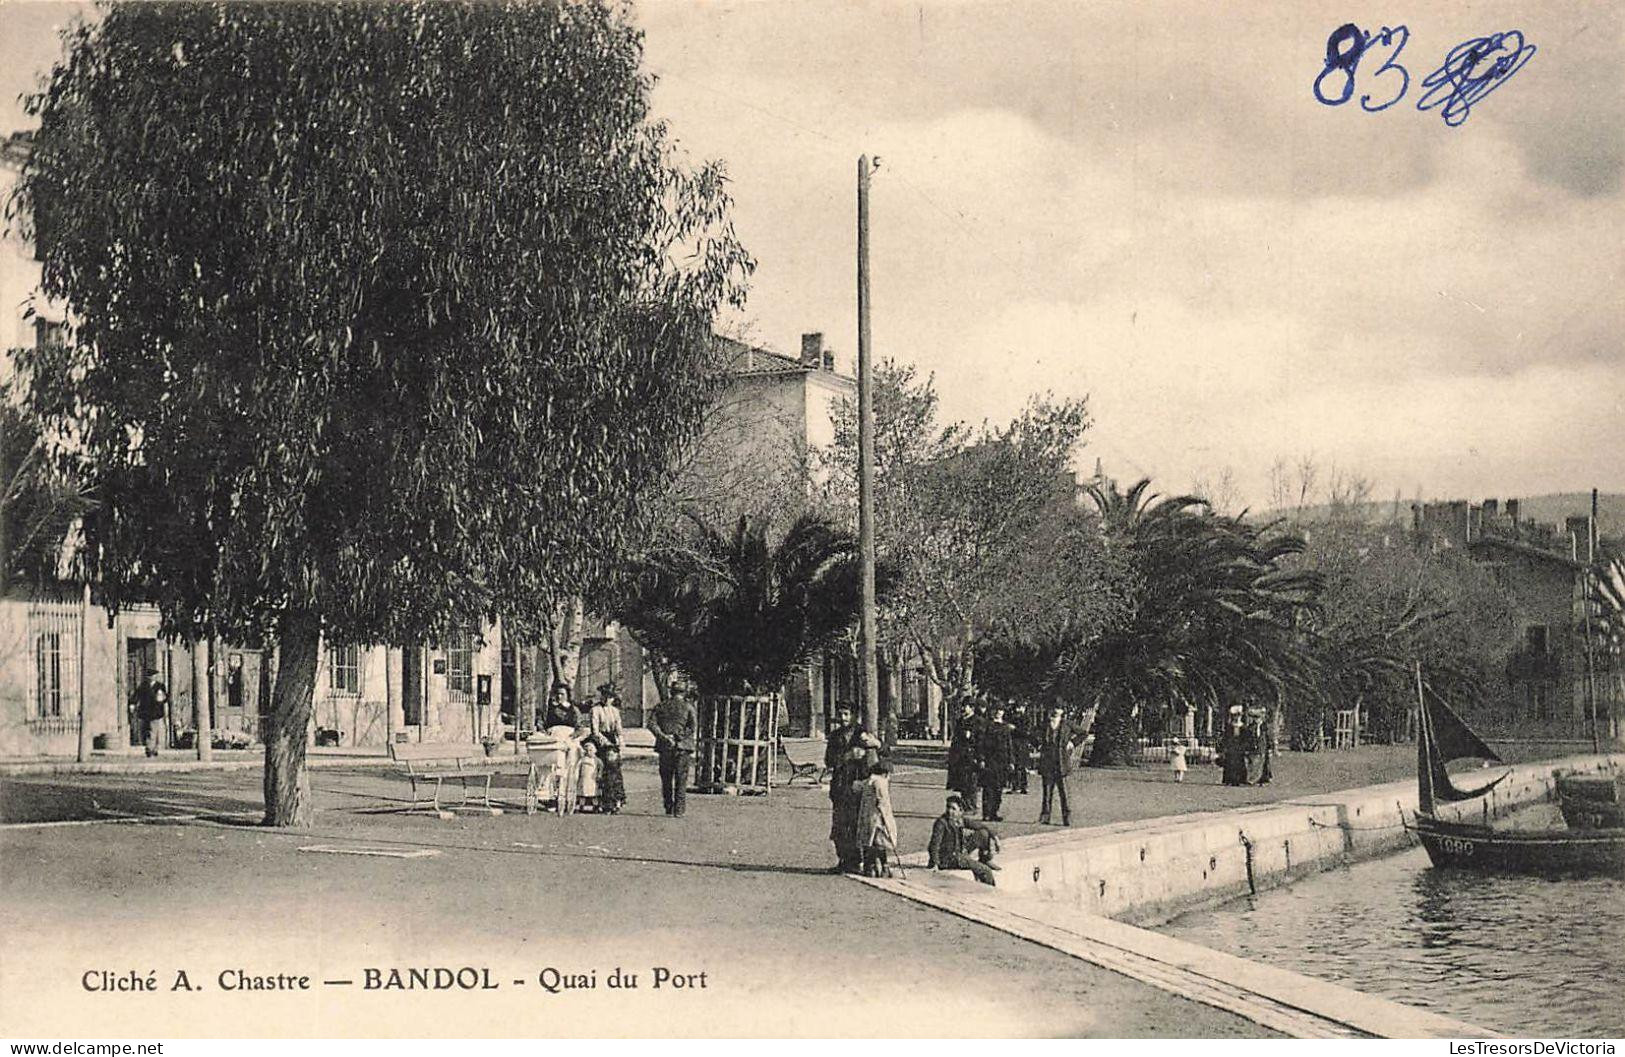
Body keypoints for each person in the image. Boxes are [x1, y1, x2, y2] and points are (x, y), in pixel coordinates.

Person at [824, 703, 878, 873]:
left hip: (859, 786)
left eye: (846, 714)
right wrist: (848, 756)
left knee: (858, 824)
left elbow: (879, 754)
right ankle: (844, 860)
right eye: (840, 714)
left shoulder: (862, 733)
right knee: (840, 825)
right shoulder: (835, 736)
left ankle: (859, 861)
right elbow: (829, 760)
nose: (843, 718)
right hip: (840, 787)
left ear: (854, 715)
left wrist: (876, 744)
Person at [647, 682, 698, 817]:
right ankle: (679, 809)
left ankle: (668, 805)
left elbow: (651, 724)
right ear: (684, 692)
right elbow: (692, 727)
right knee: (681, 779)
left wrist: (664, 736)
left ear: (671, 692)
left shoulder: (661, 706)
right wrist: (678, 736)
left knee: (666, 778)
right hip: (682, 747)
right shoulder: (688, 707)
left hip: (665, 747)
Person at [927, 793, 1001, 886]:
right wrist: (935, 864)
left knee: (983, 833)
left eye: (953, 809)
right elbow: (934, 844)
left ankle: (985, 859)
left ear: (960, 811)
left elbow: (982, 826)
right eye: (948, 807)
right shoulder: (942, 823)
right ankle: (990, 891)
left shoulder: (959, 819)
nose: (949, 811)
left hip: (960, 851)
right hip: (949, 858)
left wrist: (995, 838)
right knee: (986, 871)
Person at [1036, 702, 1078, 825]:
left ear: (1062, 711)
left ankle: (1067, 817)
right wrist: (1038, 744)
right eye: (1055, 708)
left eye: (1059, 709)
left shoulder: (1067, 724)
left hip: (1061, 762)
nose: (1056, 711)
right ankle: (1045, 816)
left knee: (1064, 792)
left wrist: (1073, 743)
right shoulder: (1045, 724)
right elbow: (1032, 734)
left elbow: (1083, 733)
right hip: (1047, 761)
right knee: (1047, 792)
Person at [857, 759, 899, 878]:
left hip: (867, 816)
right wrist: (888, 820)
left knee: (870, 842)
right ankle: (884, 867)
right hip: (878, 818)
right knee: (881, 842)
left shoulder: (868, 782)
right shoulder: (880, 783)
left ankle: (870, 867)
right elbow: (883, 802)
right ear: (885, 773)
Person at [589, 685, 627, 813]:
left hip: (612, 740)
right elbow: (595, 730)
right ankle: (605, 802)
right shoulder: (595, 710)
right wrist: (605, 742)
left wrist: (620, 740)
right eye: (605, 696)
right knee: (606, 769)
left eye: (610, 697)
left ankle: (616, 799)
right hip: (600, 740)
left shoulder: (615, 711)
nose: (607, 700)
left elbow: (618, 728)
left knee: (615, 768)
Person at [977, 704, 1014, 822]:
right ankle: (986, 813)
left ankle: (994, 812)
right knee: (988, 788)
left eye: (1001, 710)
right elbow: (981, 743)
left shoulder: (1005, 727)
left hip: (1002, 761)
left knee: (999, 788)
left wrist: (1011, 761)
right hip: (990, 760)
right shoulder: (987, 725)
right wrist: (981, 759)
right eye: (997, 710)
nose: (999, 712)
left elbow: (1009, 744)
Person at [945, 723, 982, 815]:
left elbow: (979, 746)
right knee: (964, 786)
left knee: (972, 786)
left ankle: (972, 806)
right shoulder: (958, 736)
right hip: (962, 762)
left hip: (972, 763)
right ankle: (967, 806)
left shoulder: (976, 735)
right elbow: (954, 747)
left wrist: (978, 759)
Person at [133, 668, 169, 757]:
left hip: (155, 712)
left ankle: (150, 748)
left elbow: (165, 698)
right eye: (149, 676)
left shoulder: (160, 686)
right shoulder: (143, 686)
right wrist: (133, 703)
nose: (151, 678)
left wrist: (162, 699)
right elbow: (136, 695)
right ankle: (153, 748)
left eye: (153, 676)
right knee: (146, 730)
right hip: (145, 711)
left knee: (153, 730)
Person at [1008, 701, 1033, 795]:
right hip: (1015, 744)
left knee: (1022, 766)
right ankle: (1016, 785)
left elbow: (1026, 732)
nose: (1018, 710)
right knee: (1015, 765)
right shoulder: (1013, 717)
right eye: (1017, 708)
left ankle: (1023, 785)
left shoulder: (1026, 718)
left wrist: (1015, 729)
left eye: (1020, 707)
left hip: (1022, 744)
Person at [1220, 707, 1249, 786]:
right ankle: (1230, 779)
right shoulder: (1229, 726)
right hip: (1231, 747)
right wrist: (1225, 747)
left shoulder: (1243, 727)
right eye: (1235, 716)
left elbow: (1245, 738)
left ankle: (1240, 779)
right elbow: (1226, 737)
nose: (1236, 717)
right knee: (1230, 763)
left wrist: (1244, 747)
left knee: (1239, 763)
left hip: (1239, 747)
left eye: (1238, 716)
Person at [576, 740, 601, 812]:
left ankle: (596, 807)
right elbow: (578, 767)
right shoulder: (583, 759)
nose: (589, 752)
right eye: (587, 750)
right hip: (584, 779)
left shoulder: (597, 760)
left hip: (592, 779)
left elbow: (600, 767)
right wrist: (577, 775)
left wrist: (599, 775)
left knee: (593, 793)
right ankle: (581, 806)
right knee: (582, 793)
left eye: (590, 750)